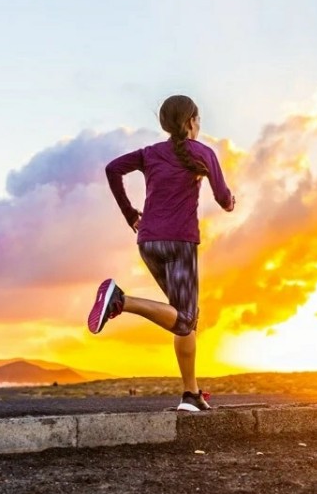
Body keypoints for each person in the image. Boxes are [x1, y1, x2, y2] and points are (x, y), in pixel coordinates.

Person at [88, 94, 235, 412]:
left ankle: (191, 394)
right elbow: (224, 198)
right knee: (184, 318)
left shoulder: (150, 153)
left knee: (185, 319)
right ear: (191, 122)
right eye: (198, 120)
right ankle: (120, 301)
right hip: (179, 243)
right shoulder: (202, 153)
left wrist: (130, 215)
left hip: (148, 242)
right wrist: (230, 201)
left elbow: (113, 169)